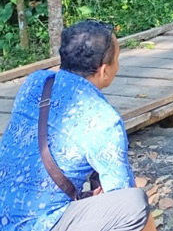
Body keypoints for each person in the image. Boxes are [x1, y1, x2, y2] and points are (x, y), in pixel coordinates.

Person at [0, 20, 155, 231]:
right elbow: (121, 193)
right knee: (135, 204)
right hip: (39, 224)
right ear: (103, 71)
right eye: (117, 59)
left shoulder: (35, 82)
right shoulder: (104, 120)